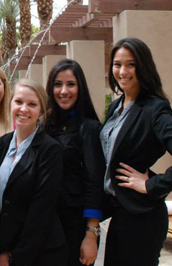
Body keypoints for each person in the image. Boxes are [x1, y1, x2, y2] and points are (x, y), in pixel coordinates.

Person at [90, 37, 172, 266]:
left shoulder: (155, 109)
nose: (123, 71)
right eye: (117, 64)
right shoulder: (116, 106)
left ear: (143, 66)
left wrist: (150, 184)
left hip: (142, 217)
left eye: (130, 64)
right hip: (121, 213)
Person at [0, 79, 66, 266]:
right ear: (10, 104)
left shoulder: (50, 150)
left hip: (39, 253)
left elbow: (41, 211)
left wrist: (16, 257)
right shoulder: (3, 143)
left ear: (41, 111)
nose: (24, 109)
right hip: (6, 249)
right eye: (18, 102)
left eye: (32, 104)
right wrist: (1, 249)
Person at [44, 59, 103, 266]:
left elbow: (94, 181)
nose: (63, 91)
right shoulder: (46, 126)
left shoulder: (89, 128)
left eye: (71, 84)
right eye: (57, 84)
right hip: (48, 224)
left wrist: (91, 234)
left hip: (75, 225)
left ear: (80, 88)